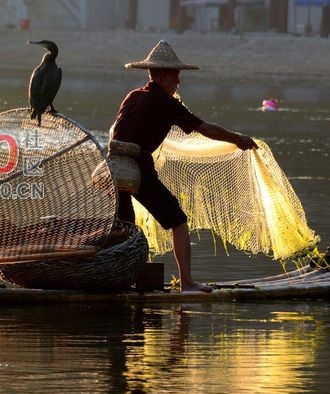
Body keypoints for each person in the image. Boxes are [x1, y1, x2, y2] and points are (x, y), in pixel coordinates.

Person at [110, 40, 258, 293]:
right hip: (136, 169)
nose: (179, 82)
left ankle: (117, 279)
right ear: (165, 75)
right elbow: (205, 128)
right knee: (177, 220)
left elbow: (119, 131)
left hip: (112, 169)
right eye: (176, 76)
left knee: (124, 225)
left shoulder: (134, 96)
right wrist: (238, 139)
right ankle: (187, 283)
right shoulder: (163, 101)